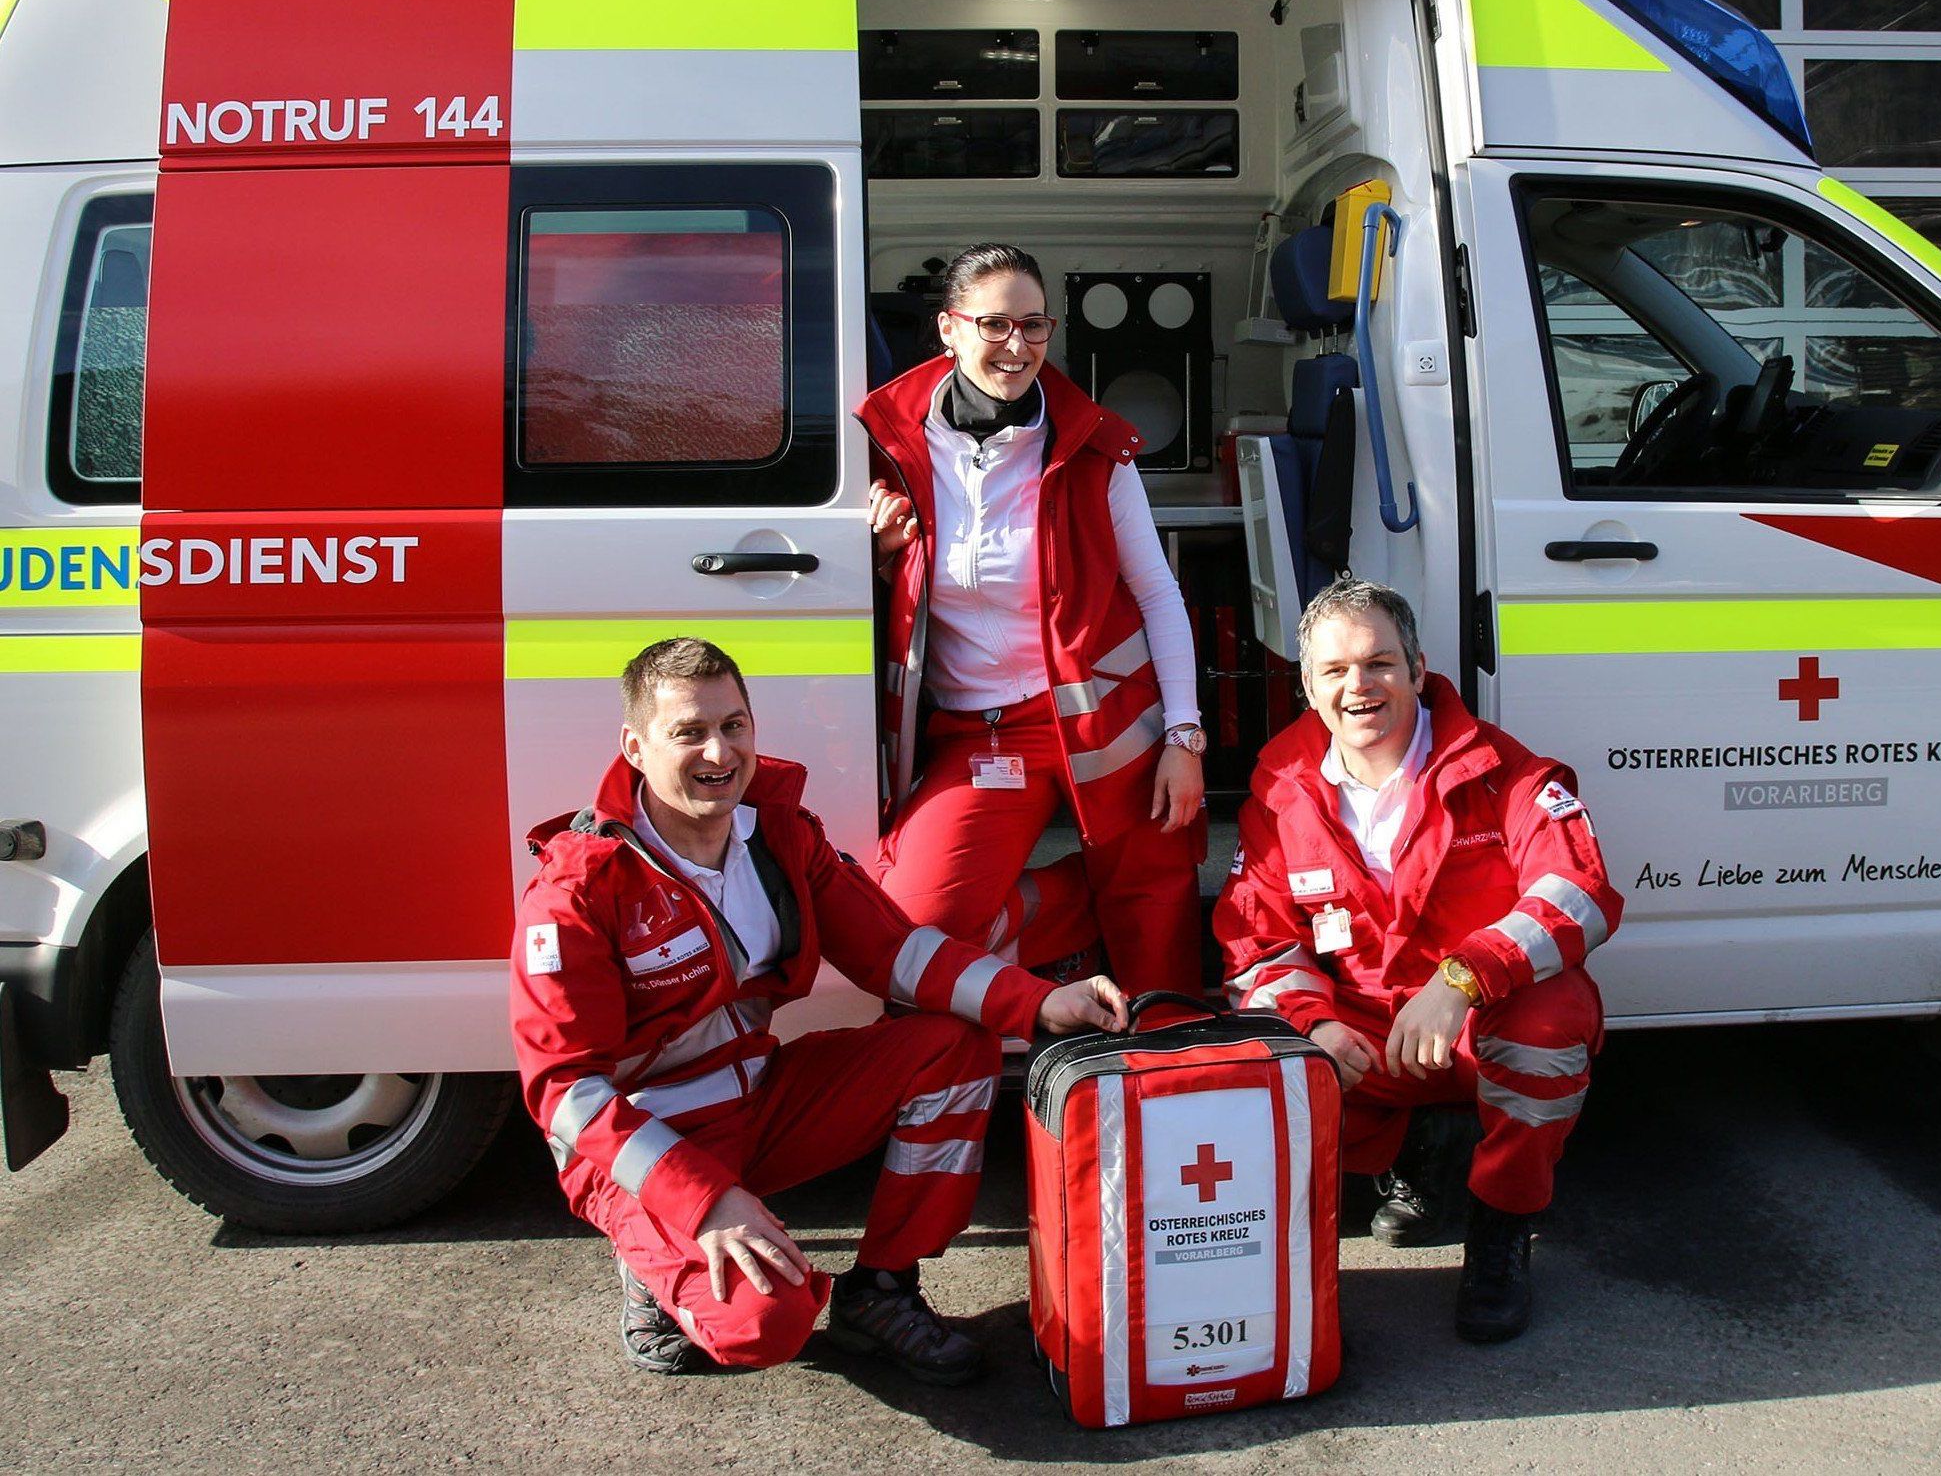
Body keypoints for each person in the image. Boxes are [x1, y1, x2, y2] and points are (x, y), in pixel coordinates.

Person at [511, 636, 1127, 1382]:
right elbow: (564, 1092)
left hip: (757, 1102)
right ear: (635, 748)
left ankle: (882, 1290)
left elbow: (896, 953)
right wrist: (702, 1200)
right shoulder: (577, 889)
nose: (719, 750)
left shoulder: (779, 831)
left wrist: (1039, 1002)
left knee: (954, 1046)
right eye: (689, 732)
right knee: (767, 1326)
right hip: (645, 1142)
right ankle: (653, 1274)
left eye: (734, 724)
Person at [1213, 578, 1622, 1343]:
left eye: (1379, 663)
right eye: (1334, 670)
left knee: (1552, 1019)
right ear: (1306, 686)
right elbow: (1258, 942)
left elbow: (1581, 893)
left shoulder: (1503, 770)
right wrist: (1318, 1028)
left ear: (1418, 668)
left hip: (1475, 1019)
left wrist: (1463, 977)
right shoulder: (1279, 792)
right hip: (1366, 1033)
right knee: (1266, 1063)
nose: (1357, 686)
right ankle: (1415, 1157)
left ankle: (1501, 1230)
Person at [857, 242, 1206, 1000]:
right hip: (980, 732)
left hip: (1107, 723)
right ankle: (1071, 919)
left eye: (1035, 325)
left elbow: (1158, 595)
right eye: (994, 325)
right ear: (948, 328)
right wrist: (875, 558)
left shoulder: (1096, 449)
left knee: (1157, 913)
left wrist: (1184, 734)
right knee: (917, 925)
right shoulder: (886, 445)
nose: (1018, 346)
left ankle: (1166, 1067)